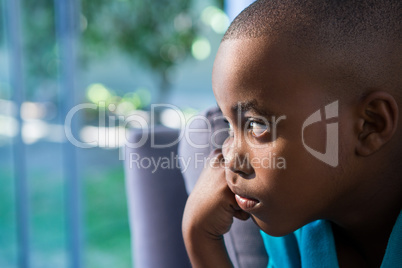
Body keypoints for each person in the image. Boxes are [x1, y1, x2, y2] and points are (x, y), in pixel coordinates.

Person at [182, 0, 402, 267]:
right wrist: (200, 240)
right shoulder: (295, 226)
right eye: (229, 126)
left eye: (256, 125)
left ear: (370, 125)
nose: (231, 160)